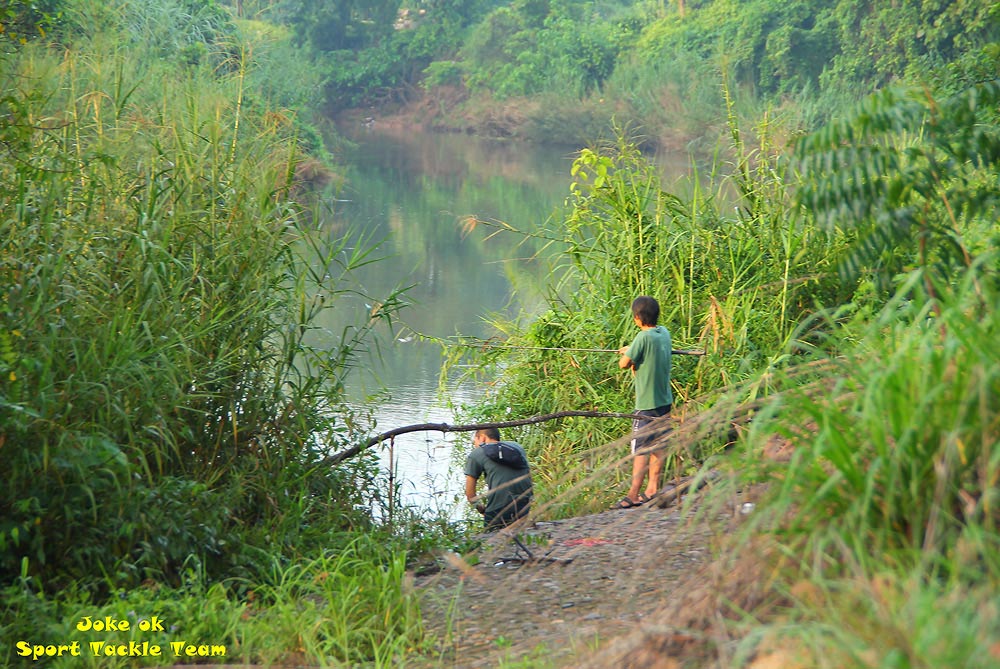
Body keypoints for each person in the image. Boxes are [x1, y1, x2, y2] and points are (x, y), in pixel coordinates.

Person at [615, 295, 673, 508]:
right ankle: (653, 489)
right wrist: (632, 350)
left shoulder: (642, 338)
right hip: (664, 402)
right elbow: (646, 347)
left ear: (638, 318)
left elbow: (623, 364)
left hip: (646, 405)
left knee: (641, 449)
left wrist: (628, 354)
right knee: (659, 445)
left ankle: (633, 494)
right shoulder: (663, 333)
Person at [464, 428, 533, 531]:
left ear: (482, 438)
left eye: (475, 441)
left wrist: (483, 510)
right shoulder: (517, 447)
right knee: (519, 536)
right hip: (524, 502)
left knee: (491, 542)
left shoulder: (477, 453)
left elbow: (470, 495)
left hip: (497, 508)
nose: (475, 445)